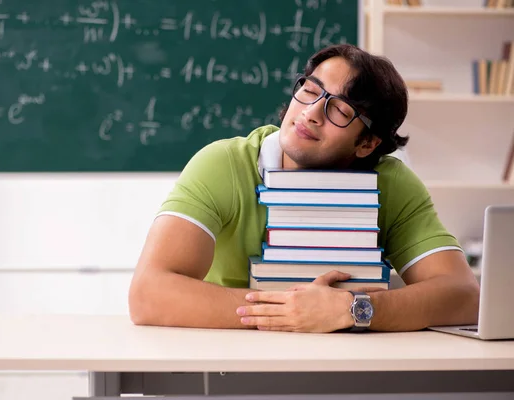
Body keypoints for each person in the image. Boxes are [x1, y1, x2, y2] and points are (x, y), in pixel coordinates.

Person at [128, 44, 480, 333]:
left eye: (340, 111)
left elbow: (465, 295)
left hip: (352, 369)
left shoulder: (393, 184)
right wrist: (292, 313)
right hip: (235, 365)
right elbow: (149, 294)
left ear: (367, 144)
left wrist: (355, 309)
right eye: (310, 91)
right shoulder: (224, 164)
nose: (311, 113)